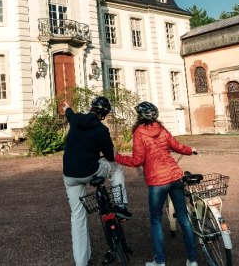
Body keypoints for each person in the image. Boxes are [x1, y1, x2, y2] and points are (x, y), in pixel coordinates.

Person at [115, 101, 198, 266]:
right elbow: (177, 146)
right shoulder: (161, 129)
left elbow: (137, 160)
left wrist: (116, 157)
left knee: (156, 220)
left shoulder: (139, 133)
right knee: (183, 217)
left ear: (139, 117)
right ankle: (192, 260)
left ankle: (159, 261)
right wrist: (190, 150)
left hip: (157, 181)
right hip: (175, 176)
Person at [63, 96, 132, 266]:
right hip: (90, 172)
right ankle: (120, 203)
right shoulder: (101, 130)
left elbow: (69, 113)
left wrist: (66, 107)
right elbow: (109, 156)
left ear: (91, 107)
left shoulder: (76, 119)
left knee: (77, 216)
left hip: (70, 175)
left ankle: (81, 262)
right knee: (116, 166)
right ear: (105, 114)